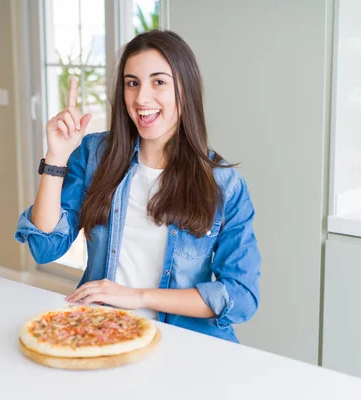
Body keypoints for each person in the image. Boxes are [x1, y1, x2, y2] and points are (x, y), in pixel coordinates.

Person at [14, 30, 261, 343]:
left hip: (187, 342)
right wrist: (56, 158)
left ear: (185, 90)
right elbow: (45, 246)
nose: (142, 98)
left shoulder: (224, 185)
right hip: (103, 331)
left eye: (158, 82)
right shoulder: (95, 155)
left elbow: (241, 296)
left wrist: (139, 297)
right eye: (132, 83)